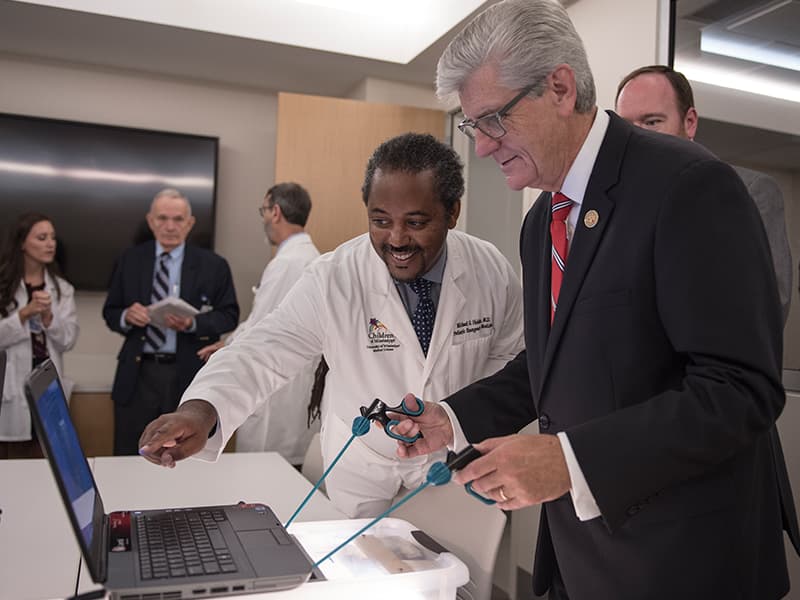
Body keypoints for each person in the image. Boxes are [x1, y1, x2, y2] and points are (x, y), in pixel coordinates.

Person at [386, 1, 798, 599]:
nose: (481, 148)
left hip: (682, 563)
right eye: (474, 127)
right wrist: (448, 419)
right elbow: (549, 368)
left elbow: (739, 389)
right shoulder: (541, 222)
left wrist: (570, 461)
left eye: (494, 120)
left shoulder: (687, 185)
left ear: (559, 87)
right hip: (582, 558)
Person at [138, 132, 525, 518]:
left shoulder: (488, 270)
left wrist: (459, 415)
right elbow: (263, 351)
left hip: (452, 455)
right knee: (359, 565)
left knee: (451, 571)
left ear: (452, 212)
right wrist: (202, 409)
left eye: (416, 222)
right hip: (362, 463)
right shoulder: (334, 277)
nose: (397, 239)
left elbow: (509, 357)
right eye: (380, 220)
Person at [615, 64, 793, 323]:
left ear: (689, 123)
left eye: (652, 122)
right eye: (625, 126)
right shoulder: (616, 203)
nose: (636, 135)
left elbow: (767, 308)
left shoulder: (749, 191)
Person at [103, 188, 238, 456]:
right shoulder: (130, 260)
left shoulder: (213, 265)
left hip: (187, 373)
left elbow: (229, 315)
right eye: (162, 218)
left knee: (183, 455)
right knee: (130, 454)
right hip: (138, 374)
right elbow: (111, 311)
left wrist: (192, 324)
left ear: (190, 223)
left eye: (178, 220)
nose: (169, 226)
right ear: (151, 221)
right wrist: (126, 316)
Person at [197, 182, 321, 465]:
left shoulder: (289, 263)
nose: (264, 218)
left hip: (277, 393)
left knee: (266, 474)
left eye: (264, 211)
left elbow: (261, 328)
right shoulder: (307, 258)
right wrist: (228, 343)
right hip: (292, 388)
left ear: (275, 212)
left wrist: (226, 350)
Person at [0, 213, 79, 458]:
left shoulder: (61, 289)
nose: (50, 244)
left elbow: (67, 340)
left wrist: (48, 320)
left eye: (53, 238)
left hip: (46, 386)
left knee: (47, 458)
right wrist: (24, 314)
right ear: (22, 243)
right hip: (11, 387)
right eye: (42, 238)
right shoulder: (4, 284)